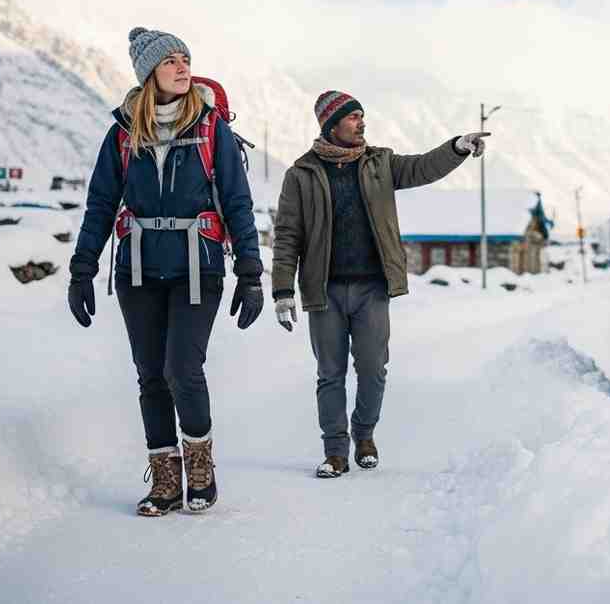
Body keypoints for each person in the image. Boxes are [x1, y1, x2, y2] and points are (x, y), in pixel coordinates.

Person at [66, 27, 264, 516]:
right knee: (151, 376)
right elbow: (100, 204)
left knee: (182, 369)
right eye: (170, 60)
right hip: (137, 270)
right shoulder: (122, 132)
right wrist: (82, 269)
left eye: (185, 58)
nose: (182, 67)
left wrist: (251, 273)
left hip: (198, 267)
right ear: (149, 73)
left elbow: (237, 202)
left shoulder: (210, 127)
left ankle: (201, 469)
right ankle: (166, 482)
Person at [270, 90, 488, 478]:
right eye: (353, 117)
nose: (361, 123)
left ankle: (364, 434)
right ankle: (335, 451)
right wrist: (283, 290)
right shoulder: (301, 174)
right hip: (324, 291)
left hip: (372, 288)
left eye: (362, 116)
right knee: (330, 374)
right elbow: (287, 235)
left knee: (373, 369)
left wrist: (456, 147)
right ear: (331, 125)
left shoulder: (380, 163)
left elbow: (423, 167)